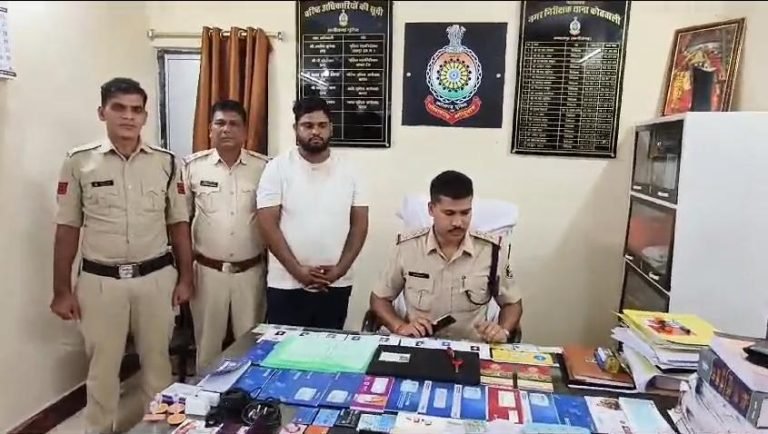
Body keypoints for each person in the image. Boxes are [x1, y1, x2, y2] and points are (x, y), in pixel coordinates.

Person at [49, 78, 194, 433]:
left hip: (156, 279)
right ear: (102, 112)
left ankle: (159, 429)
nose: (128, 117)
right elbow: (67, 228)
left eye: (136, 110)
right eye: (119, 108)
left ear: (145, 116)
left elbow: (178, 223)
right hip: (101, 282)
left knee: (158, 365)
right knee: (102, 370)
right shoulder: (79, 162)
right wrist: (61, 290)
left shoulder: (166, 162)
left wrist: (186, 277)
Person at [369, 170, 522, 343]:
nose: (458, 222)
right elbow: (380, 299)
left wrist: (503, 330)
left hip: (472, 346)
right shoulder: (407, 248)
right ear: (431, 209)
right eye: (449, 213)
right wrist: (399, 326)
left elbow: (512, 304)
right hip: (420, 344)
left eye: (465, 213)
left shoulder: (492, 250)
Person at [256, 96, 369, 329]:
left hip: (335, 283)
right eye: (308, 125)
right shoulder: (277, 168)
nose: (315, 131)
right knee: (283, 349)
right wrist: (297, 271)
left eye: (322, 125)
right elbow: (267, 224)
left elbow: (359, 225)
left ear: (331, 128)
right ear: (295, 128)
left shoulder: (351, 169)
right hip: (286, 283)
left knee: (328, 348)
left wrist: (340, 270)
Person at [183, 99, 269, 370]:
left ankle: (246, 394)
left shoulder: (264, 168)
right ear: (210, 129)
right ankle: (204, 393)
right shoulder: (193, 167)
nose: (226, 129)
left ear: (245, 131)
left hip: (250, 272)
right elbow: (181, 221)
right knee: (207, 346)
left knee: (251, 345)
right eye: (220, 123)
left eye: (234, 124)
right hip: (207, 273)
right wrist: (184, 273)